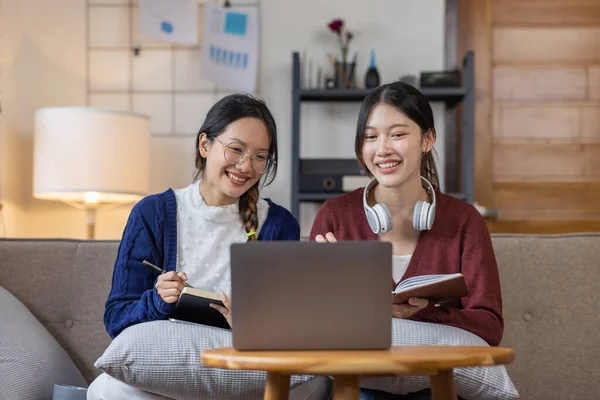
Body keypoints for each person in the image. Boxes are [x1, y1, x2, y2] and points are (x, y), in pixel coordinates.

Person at [87, 93, 329, 399]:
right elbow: (117, 317)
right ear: (205, 145)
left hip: (243, 376)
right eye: (236, 149)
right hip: (168, 367)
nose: (246, 166)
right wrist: (159, 300)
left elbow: (288, 326)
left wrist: (252, 322)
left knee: (316, 383)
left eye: (259, 156)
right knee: (108, 390)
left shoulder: (279, 224)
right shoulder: (152, 213)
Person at [309, 82, 503, 400]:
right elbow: (305, 324)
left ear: (427, 139)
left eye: (397, 134)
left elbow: (490, 326)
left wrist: (419, 313)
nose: (382, 148)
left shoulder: (465, 220)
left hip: (437, 387)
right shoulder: (335, 217)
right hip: (360, 387)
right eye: (371, 137)